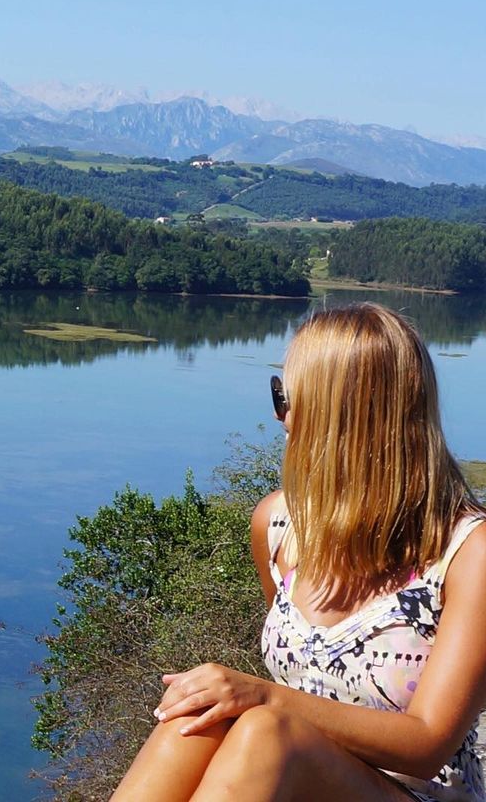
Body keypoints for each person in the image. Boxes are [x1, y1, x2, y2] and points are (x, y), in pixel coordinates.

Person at [110, 302, 486, 801]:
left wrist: (265, 695)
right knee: (201, 722)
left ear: (336, 411)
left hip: (421, 793)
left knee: (269, 731)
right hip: (300, 779)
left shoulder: (467, 552)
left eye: (283, 395)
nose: (277, 413)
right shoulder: (277, 525)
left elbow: (428, 743)